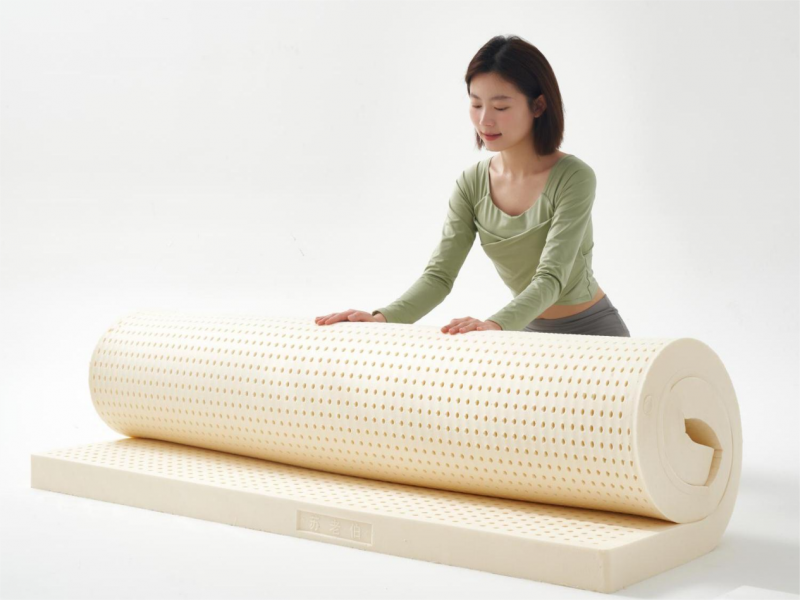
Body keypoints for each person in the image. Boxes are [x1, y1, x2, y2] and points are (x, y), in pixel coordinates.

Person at [316, 35, 631, 337]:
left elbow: (551, 278)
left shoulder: (574, 177)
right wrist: (381, 319)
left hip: (593, 332)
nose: (484, 121)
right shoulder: (472, 184)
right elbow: (439, 277)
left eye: (501, 107)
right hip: (525, 333)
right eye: (476, 104)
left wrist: (494, 324)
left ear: (538, 106)